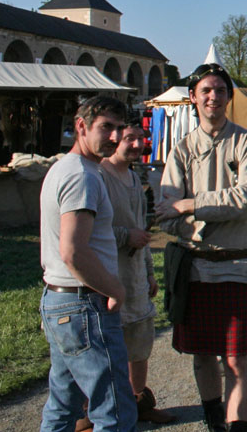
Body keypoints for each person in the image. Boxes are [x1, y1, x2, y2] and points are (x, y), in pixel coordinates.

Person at [155, 64, 247, 432]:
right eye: (205, 90)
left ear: (229, 96)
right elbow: (165, 217)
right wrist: (219, 210)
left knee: (236, 359)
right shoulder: (182, 150)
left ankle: (238, 428)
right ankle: (213, 420)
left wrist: (192, 204)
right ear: (193, 97)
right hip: (196, 269)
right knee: (201, 356)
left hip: (236, 267)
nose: (212, 96)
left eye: (219, 90)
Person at [38, 95, 137, 432]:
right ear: (81, 126)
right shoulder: (83, 175)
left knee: (64, 406)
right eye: (106, 127)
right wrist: (115, 288)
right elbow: (74, 251)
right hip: (83, 304)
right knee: (115, 412)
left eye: (119, 128)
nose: (115, 136)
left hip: (62, 301)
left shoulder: (65, 169)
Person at [100, 121, 175, 425]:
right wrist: (124, 236)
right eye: (130, 138)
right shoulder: (99, 176)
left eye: (141, 138)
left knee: (140, 343)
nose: (136, 144)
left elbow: (141, 228)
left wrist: (148, 273)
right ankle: (103, 411)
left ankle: (138, 402)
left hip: (134, 275)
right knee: (109, 347)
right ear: (114, 138)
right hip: (108, 274)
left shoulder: (133, 177)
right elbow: (90, 230)